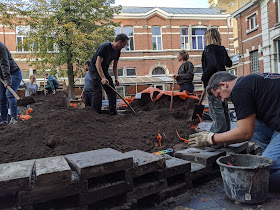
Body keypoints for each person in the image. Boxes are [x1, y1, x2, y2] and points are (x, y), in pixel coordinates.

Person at [189, 71, 280, 192]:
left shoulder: (239, 89)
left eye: (219, 95)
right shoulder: (249, 81)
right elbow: (248, 129)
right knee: (253, 123)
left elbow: (245, 133)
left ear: (224, 84)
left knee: (263, 174)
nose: (222, 99)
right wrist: (225, 140)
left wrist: (210, 138)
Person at [201, 28, 232, 134]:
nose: (204, 40)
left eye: (205, 37)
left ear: (209, 37)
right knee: (224, 109)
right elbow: (229, 63)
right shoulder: (222, 49)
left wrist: (204, 77)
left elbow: (212, 64)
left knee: (215, 110)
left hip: (213, 83)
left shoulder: (209, 49)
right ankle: (227, 135)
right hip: (223, 82)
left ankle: (217, 136)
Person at [89, 33, 129, 115]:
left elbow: (115, 66)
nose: (123, 47)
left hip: (104, 69)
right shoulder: (104, 47)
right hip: (95, 69)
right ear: (119, 42)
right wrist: (103, 78)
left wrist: (116, 79)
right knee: (98, 91)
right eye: (124, 44)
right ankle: (96, 114)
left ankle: (113, 112)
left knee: (112, 91)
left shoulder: (118, 51)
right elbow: (98, 63)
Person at [0, 41, 22, 125]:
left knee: (9, 94)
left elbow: (4, 64)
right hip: (3, 77)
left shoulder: (0, 47)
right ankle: (4, 120)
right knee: (2, 98)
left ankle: (14, 119)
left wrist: (7, 81)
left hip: (13, 73)